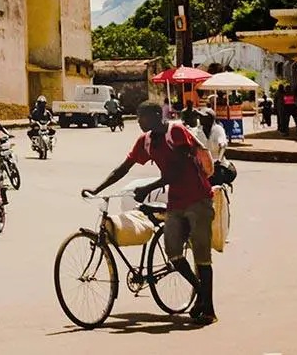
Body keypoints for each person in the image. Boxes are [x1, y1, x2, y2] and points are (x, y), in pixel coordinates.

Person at [83, 101, 217, 325]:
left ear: (157, 115)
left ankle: (209, 309)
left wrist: (147, 188)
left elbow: (181, 168)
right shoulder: (145, 142)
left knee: (202, 256)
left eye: (141, 117)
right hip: (176, 202)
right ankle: (201, 293)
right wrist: (97, 189)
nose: (138, 121)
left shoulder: (175, 131)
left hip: (198, 199)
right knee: (173, 252)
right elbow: (123, 168)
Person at [196, 108, 236, 187]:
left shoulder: (218, 129)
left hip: (217, 165)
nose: (200, 119)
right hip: (204, 166)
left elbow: (223, 145)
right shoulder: (198, 131)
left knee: (215, 179)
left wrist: (219, 159)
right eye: (200, 117)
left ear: (210, 119)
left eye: (203, 117)